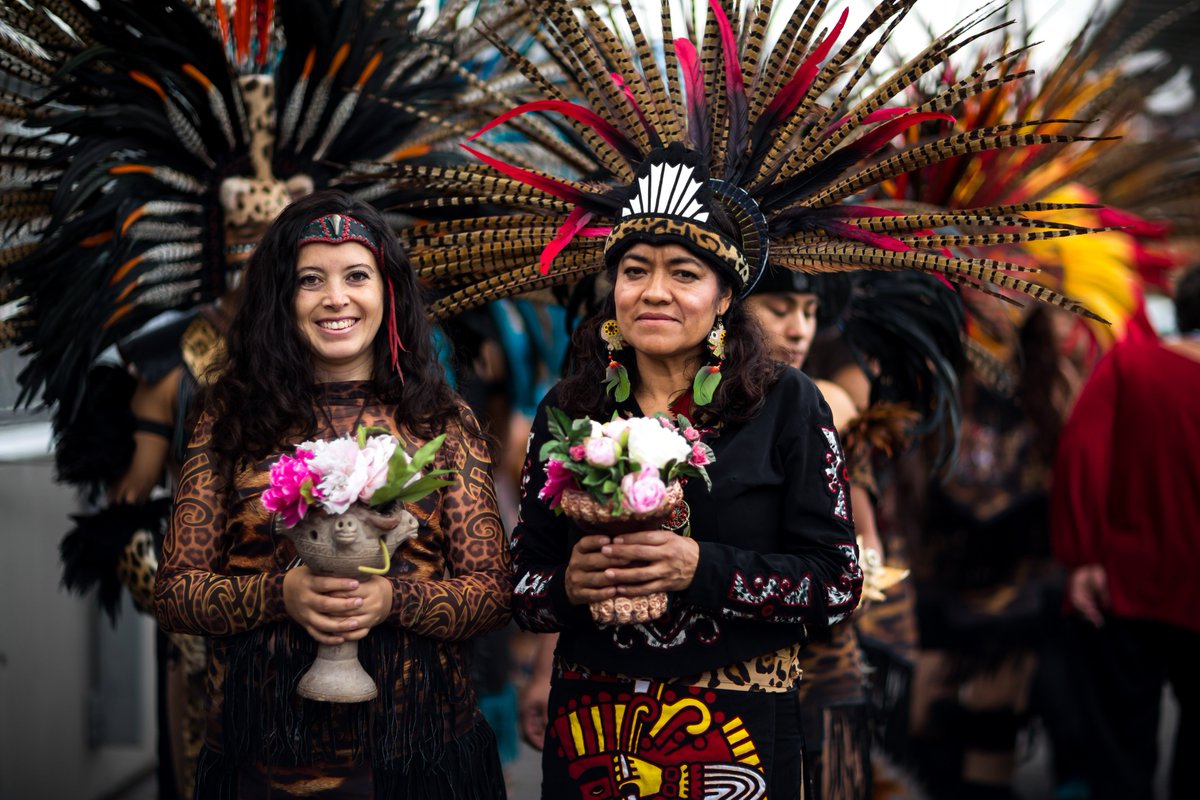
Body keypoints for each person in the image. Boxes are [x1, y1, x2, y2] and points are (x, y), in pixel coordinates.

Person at [509, 146, 864, 799]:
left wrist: (699, 568)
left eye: (684, 272)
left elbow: (838, 584)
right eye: (634, 271)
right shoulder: (570, 407)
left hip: (738, 731)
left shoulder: (786, 402)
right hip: (595, 732)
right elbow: (523, 587)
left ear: (725, 296)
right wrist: (568, 586)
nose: (654, 292)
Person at [154, 190, 512, 798]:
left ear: (388, 293)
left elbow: (495, 594)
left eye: (356, 276)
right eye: (310, 279)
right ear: (281, 297)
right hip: (262, 763)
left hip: (422, 760)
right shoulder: (229, 421)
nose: (336, 298)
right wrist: (281, 595)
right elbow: (175, 594)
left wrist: (391, 600)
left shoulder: (441, 423)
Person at [1051, 264, 1200, 800]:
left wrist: (1083, 558)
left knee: (1119, 754)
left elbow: (1080, 456)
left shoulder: (1131, 364)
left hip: (1124, 587)